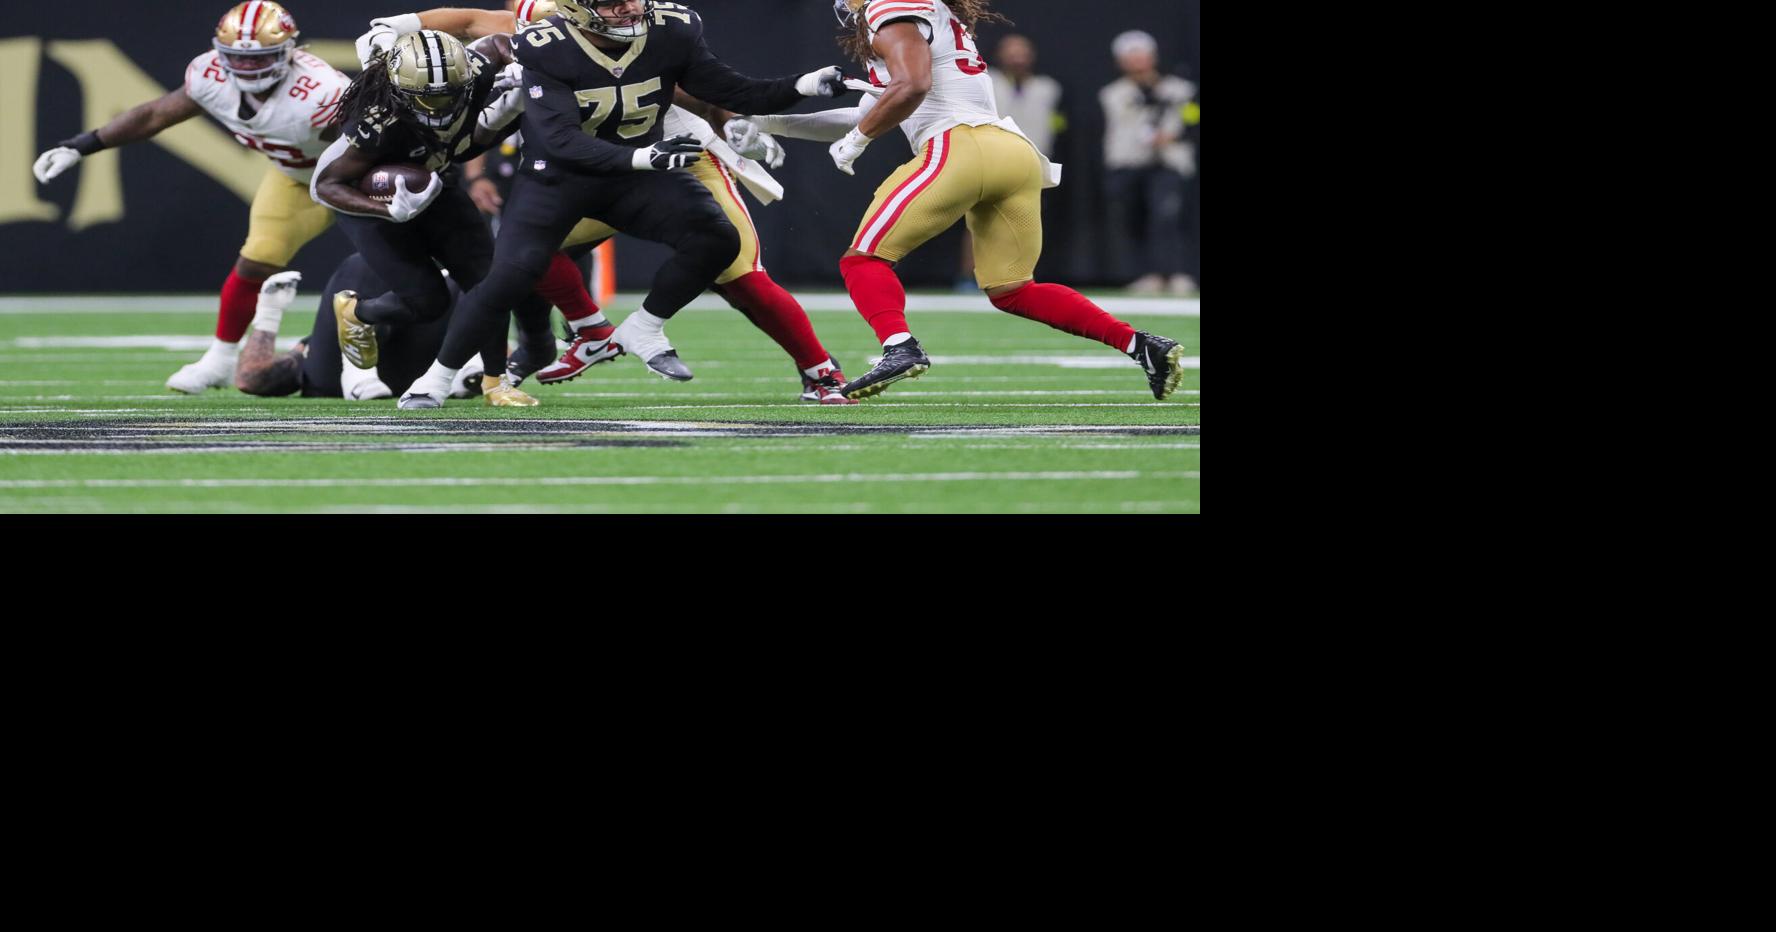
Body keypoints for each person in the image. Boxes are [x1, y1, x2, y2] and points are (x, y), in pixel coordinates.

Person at [378, 0, 856, 403]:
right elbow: (471, 37)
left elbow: (706, 84)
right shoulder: (538, 44)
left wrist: (770, 103)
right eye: (609, 2)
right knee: (515, 267)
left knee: (728, 258)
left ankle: (815, 368)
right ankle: (581, 334)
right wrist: (398, 29)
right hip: (579, 171)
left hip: (666, 154)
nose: (626, 9)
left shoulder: (667, 27)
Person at [741, 0, 1187, 402]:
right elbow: (860, 113)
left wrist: (859, 141)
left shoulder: (888, 10)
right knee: (1014, 289)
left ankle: (899, 347)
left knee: (863, 261)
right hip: (1013, 153)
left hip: (958, 147)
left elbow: (912, 86)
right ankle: (1140, 345)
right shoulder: (932, 21)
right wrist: (771, 122)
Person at [31, 2, 351, 395]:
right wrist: (81, 145)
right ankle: (219, 359)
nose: (248, 68)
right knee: (254, 262)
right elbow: (155, 115)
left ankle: (406, 360)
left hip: (354, 177)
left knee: (394, 263)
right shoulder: (210, 75)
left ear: (289, 51)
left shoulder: (321, 91)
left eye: (260, 58)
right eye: (238, 58)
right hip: (296, 179)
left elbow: (372, 144)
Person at [309, 27, 540, 406]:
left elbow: (497, 42)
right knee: (427, 301)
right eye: (429, 99)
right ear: (400, 90)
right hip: (375, 198)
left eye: (452, 94)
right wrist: (384, 209)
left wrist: (522, 61)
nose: (442, 106)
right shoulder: (377, 119)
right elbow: (324, 185)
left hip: (433, 179)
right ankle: (357, 313)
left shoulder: (473, 70)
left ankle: (495, 382)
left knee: (490, 282)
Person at [232, 261, 485, 399]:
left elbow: (250, 379)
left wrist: (269, 315)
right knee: (469, 281)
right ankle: (357, 362)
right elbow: (250, 380)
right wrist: (269, 313)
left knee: (468, 280)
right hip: (415, 372)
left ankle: (359, 363)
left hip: (415, 367)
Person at [1099, 29, 1197, 297]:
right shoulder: (1114, 94)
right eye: (1131, 57)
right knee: (1135, 219)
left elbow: (1192, 120)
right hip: (1129, 163)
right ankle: (1148, 274)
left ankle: (1176, 273)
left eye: (1142, 55)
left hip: (1169, 162)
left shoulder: (1181, 89)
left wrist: (1173, 134)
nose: (1138, 62)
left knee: (1167, 216)